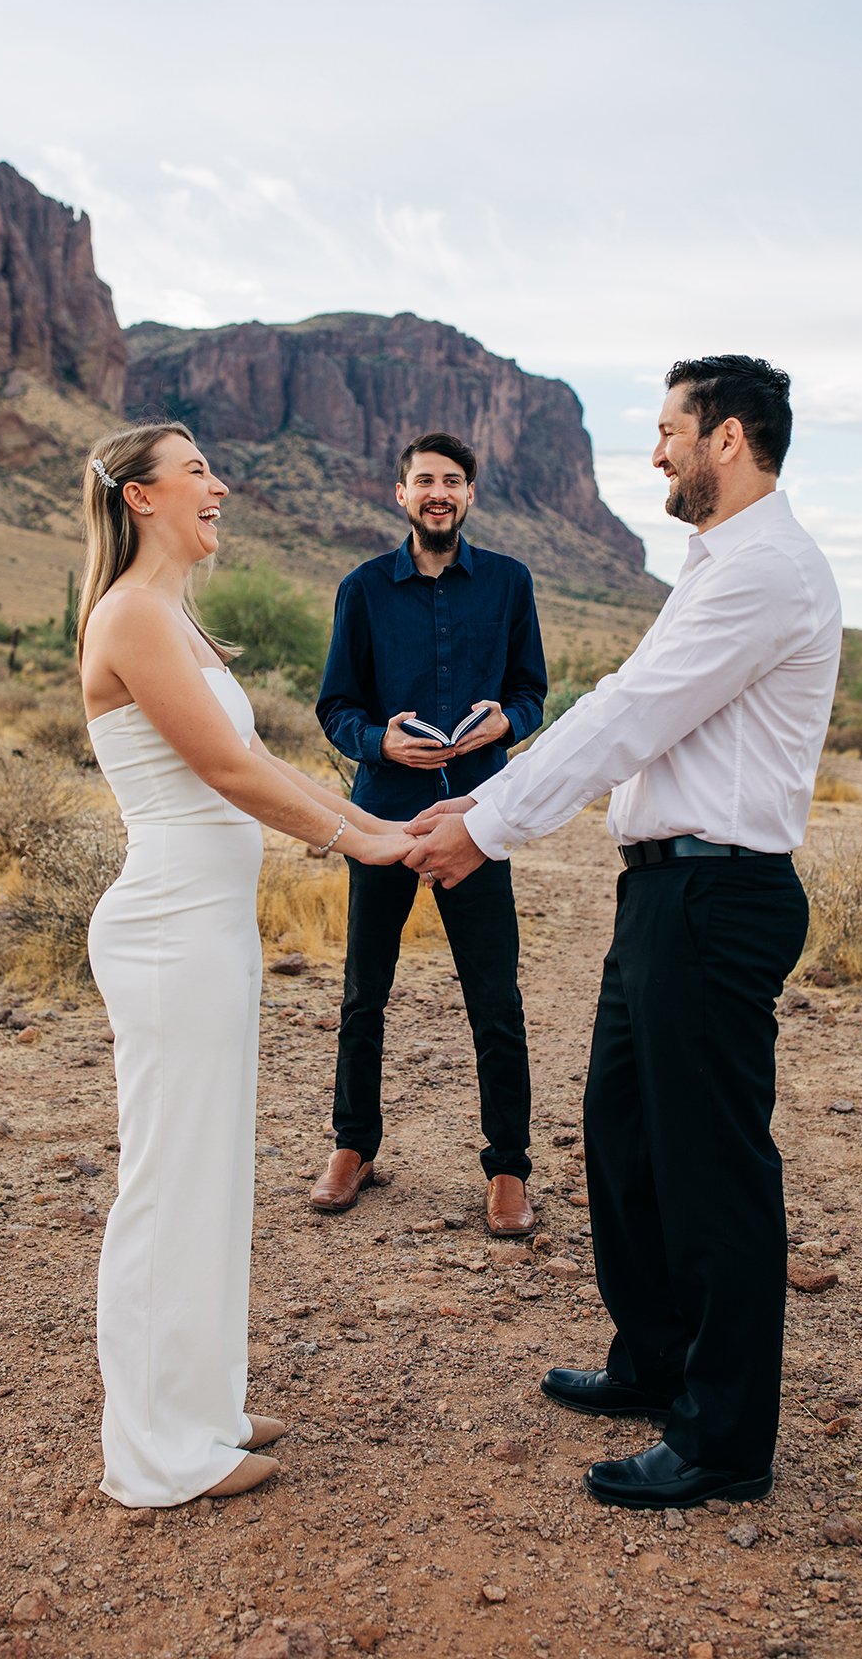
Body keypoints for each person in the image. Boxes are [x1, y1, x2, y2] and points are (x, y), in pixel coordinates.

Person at [405, 358, 841, 1509]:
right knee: (625, 1138)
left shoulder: (766, 573)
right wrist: (477, 802)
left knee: (712, 1170)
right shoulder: (713, 569)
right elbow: (617, 700)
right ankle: (655, 1359)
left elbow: (633, 714)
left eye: (667, 431)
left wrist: (486, 827)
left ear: (727, 439)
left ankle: (722, 1440)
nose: (654, 452)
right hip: (662, 894)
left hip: (718, 896)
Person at [78, 420, 411, 1507]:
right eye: (198, 472)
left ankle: (203, 1405)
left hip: (209, 928)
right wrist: (360, 845)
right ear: (141, 497)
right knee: (166, 1183)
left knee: (209, 1176)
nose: (219, 485)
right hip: (170, 928)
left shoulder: (175, 614)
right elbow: (223, 767)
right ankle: (155, 1452)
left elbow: (264, 756)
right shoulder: (129, 613)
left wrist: (379, 824)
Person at [311, 431, 547, 1234]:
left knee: (493, 998)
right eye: (424, 481)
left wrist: (500, 725)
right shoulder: (363, 588)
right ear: (401, 494)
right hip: (383, 813)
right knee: (362, 992)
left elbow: (530, 694)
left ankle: (508, 1168)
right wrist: (380, 740)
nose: (437, 492)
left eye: (451, 480)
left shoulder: (510, 584)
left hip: (478, 816)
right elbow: (336, 707)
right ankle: (354, 1147)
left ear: (469, 495)